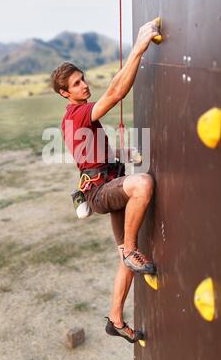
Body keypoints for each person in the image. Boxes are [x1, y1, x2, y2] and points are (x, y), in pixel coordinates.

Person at [51, 19, 159, 343]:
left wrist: (122, 153)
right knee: (142, 185)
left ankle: (115, 320)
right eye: (76, 83)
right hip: (101, 192)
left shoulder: (71, 119)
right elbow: (116, 91)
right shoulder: (80, 112)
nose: (84, 85)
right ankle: (130, 250)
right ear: (64, 93)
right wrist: (139, 47)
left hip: (103, 185)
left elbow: (92, 155)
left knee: (126, 260)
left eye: (83, 79)